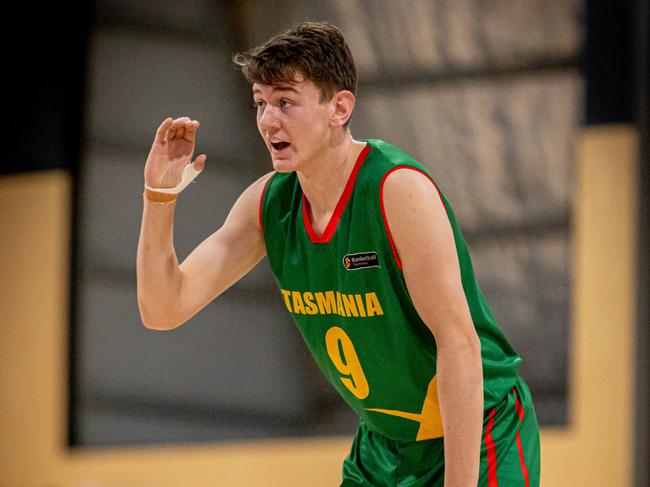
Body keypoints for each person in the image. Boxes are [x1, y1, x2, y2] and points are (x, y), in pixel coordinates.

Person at [136, 21, 540, 487]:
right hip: (384, 443)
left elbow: (460, 345)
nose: (269, 121)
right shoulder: (268, 204)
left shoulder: (396, 190)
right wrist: (158, 197)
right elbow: (163, 309)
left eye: (286, 102)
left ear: (339, 108)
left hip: (481, 429)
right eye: (260, 104)